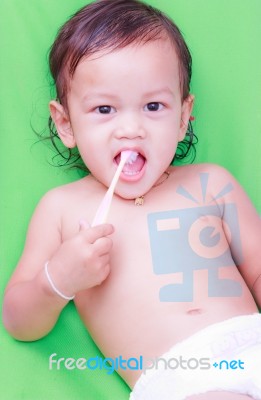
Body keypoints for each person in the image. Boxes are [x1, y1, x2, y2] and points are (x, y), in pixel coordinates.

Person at [2, 1, 261, 399]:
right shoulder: (62, 209)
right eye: (104, 109)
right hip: (180, 381)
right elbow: (18, 320)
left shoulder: (211, 184)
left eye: (153, 106)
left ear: (181, 117)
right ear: (66, 124)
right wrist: (57, 281)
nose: (130, 129)